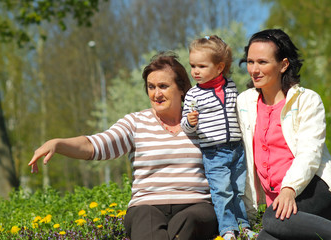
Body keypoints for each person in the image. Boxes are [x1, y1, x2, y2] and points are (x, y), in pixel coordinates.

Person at [28, 52, 219, 240]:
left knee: (190, 219)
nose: (156, 94)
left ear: (182, 89)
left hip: (195, 205)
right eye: (151, 87)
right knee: (147, 219)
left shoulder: (203, 121)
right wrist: (58, 143)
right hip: (147, 207)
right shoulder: (135, 122)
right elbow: (96, 145)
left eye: (163, 86)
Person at [237, 29, 331, 239]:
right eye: (250, 61)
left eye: (262, 62)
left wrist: (289, 188)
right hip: (280, 204)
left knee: (272, 219)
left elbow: (310, 152)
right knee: (266, 236)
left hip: (315, 189)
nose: (254, 69)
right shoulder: (244, 102)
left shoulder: (307, 100)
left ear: (283, 65)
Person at [181, 35, 256, 240]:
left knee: (239, 190)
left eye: (202, 66)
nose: (195, 71)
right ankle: (227, 229)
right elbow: (185, 127)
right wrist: (191, 121)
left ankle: (244, 225)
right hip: (214, 153)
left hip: (236, 148)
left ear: (219, 67)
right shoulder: (193, 95)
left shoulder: (231, 87)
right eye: (193, 65)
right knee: (222, 192)